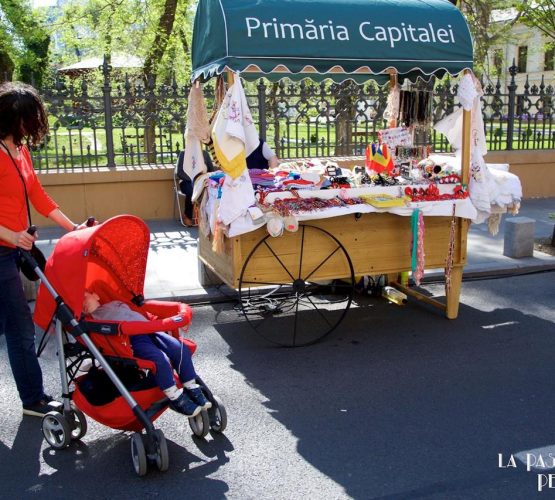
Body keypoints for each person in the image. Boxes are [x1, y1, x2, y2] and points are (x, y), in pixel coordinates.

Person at [0, 81, 89, 417]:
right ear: (12, 118)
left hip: (14, 250)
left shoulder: (19, 151)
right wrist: (11, 235)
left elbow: (38, 195)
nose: (34, 125)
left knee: (14, 325)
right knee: (20, 327)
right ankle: (33, 399)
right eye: (29, 118)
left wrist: (74, 228)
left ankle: (32, 398)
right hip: (3, 250)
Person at [82, 289, 211, 418]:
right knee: (159, 359)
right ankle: (175, 397)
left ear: (96, 295)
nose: (83, 303)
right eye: (79, 304)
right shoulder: (91, 320)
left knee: (179, 348)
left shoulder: (116, 303)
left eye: (84, 297)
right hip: (131, 338)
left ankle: (191, 387)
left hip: (150, 328)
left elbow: (136, 309)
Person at [175, 148, 214, 227]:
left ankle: (207, 217)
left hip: (202, 181)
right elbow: (179, 172)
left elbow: (211, 170)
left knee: (212, 190)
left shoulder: (205, 153)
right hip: (187, 181)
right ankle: (187, 216)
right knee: (191, 190)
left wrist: (202, 178)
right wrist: (193, 179)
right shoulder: (183, 153)